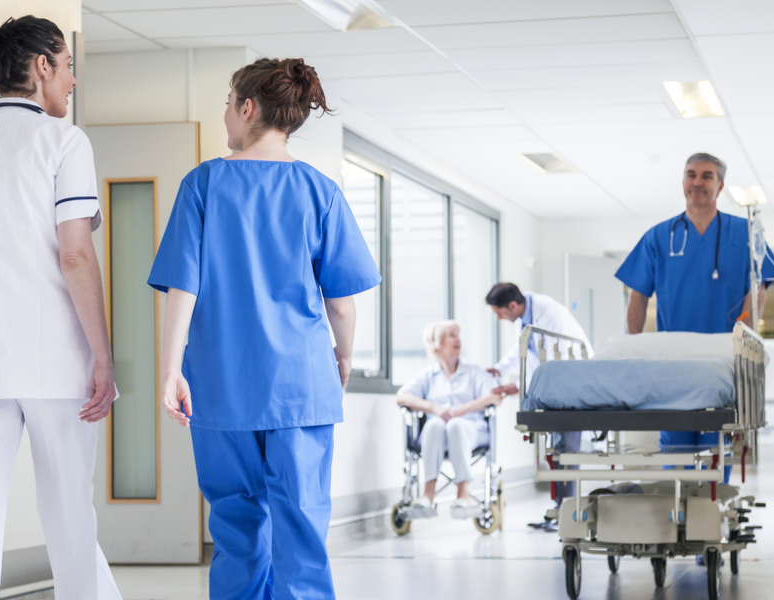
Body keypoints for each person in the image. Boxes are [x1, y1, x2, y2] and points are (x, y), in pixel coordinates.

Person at [148, 58, 380, 600]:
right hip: (301, 387)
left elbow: (184, 288)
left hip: (221, 386)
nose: (226, 115)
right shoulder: (320, 191)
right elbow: (341, 306)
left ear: (247, 108)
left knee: (236, 528)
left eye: (228, 103)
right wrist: (341, 358)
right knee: (300, 528)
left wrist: (170, 371)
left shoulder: (202, 184)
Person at [0, 16, 121, 600]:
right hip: (52, 357)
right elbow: (77, 255)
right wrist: (103, 357)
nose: (73, 81)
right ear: (42, 67)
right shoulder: (64, 142)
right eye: (67, 67)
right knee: (67, 510)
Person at [615, 152, 774, 478]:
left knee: (716, 449)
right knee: (675, 454)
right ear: (682, 183)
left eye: (707, 176)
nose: (697, 182)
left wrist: (745, 331)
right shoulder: (659, 237)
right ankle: (678, 520)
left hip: (721, 360)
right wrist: (632, 351)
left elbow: (760, 286)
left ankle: (711, 516)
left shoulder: (745, 232)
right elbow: (637, 299)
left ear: (720, 186)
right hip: (673, 363)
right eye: (691, 174)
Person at [484, 282, 592, 531]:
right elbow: (523, 349)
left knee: (567, 452)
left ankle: (569, 512)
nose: (500, 319)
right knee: (556, 452)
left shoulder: (550, 314)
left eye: (500, 314)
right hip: (554, 392)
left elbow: (555, 363)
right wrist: (500, 370)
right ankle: (558, 510)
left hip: (571, 386)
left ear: (512, 305)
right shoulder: (525, 316)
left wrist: (518, 388)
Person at [396, 321, 505, 518]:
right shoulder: (428, 376)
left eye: (458, 335)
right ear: (436, 343)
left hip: (471, 430)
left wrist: (462, 410)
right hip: (435, 437)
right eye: (451, 335)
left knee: (455, 424)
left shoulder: (474, 373)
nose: (458, 339)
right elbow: (401, 397)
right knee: (434, 424)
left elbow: (496, 396)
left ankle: (463, 493)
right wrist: (434, 408)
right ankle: (428, 494)